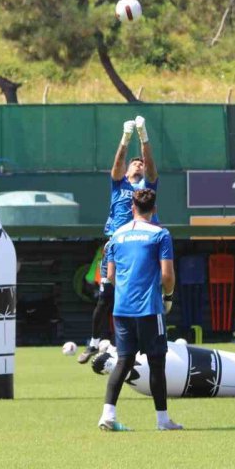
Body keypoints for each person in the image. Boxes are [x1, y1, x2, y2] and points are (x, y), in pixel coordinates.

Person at [78, 115, 160, 364]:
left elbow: (152, 166)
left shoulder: (146, 189)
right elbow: (116, 166)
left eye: (141, 163)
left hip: (138, 248)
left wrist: (143, 136)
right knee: (106, 297)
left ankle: (139, 346)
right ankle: (93, 342)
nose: (138, 165)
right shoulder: (119, 184)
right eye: (134, 163)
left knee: (138, 295)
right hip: (115, 247)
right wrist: (125, 140)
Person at [98, 188, 181, 432]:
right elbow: (167, 275)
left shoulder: (117, 236)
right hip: (149, 309)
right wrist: (168, 297)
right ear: (154, 210)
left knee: (123, 361)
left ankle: (108, 416)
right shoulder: (161, 234)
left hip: (122, 309)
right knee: (156, 363)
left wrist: (126, 289)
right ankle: (163, 421)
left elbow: (110, 275)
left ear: (132, 209)